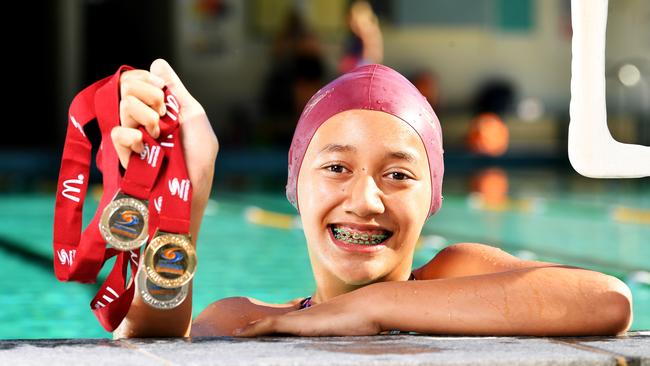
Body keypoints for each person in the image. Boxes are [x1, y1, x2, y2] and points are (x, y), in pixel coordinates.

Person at [111, 59, 632, 338]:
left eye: (399, 175)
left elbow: (608, 300)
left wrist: (376, 305)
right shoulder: (243, 319)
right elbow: (144, 350)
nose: (365, 201)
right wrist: (185, 203)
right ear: (295, 187)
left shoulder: (454, 276)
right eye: (336, 168)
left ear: (434, 197)